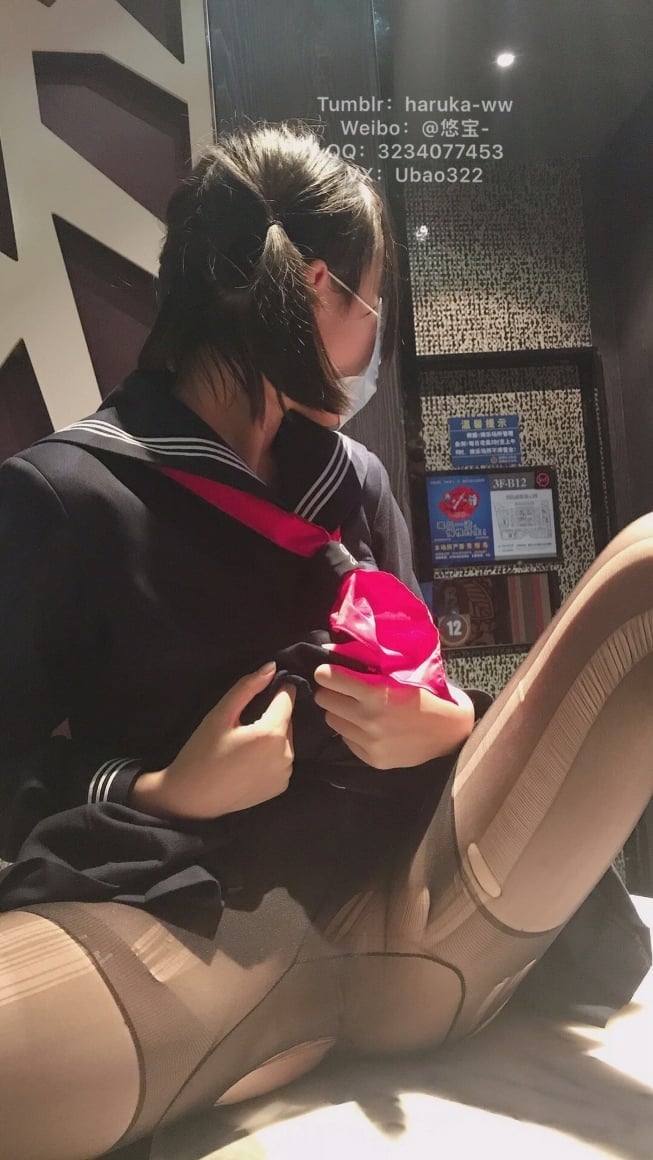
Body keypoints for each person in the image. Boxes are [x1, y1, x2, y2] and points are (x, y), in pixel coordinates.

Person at [0, 121, 651, 1160]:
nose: (376, 332)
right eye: (373, 299)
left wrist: (445, 721)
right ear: (317, 288)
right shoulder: (62, 495)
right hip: (186, 925)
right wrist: (160, 789)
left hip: (415, 898)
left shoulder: (355, 483)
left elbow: (419, 669)